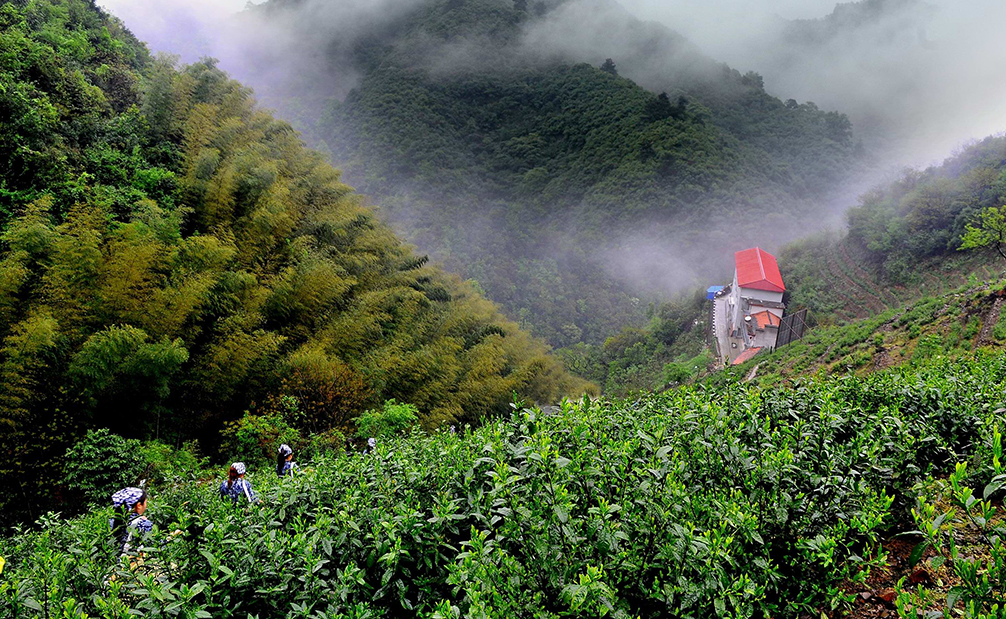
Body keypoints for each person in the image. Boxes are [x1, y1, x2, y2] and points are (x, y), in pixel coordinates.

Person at [110, 487, 152, 554]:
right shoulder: (144, 524)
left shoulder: (112, 521)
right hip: (133, 562)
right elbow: (152, 545)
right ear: (138, 505)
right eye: (145, 503)